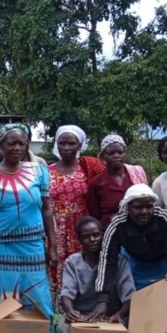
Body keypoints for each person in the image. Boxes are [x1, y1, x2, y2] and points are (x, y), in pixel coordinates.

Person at [0, 123, 56, 333]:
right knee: (1, 289)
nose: (17, 147)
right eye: (12, 143)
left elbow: (47, 210)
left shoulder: (39, 172)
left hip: (32, 246)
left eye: (22, 143)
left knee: (36, 288)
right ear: (1, 145)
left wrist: (52, 246)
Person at [95, 184, 167, 316]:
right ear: (128, 207)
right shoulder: (117, 224)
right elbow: (107, 259)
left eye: (149, 206)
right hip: (136, 265)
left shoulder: (164, 217)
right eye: (138, 207)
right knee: (140, 306)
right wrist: (103, 299)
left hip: (164, 264)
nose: (144, 212)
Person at [46, 124, 106, 305]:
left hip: (82, 230)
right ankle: (59, 308)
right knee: (55, 267)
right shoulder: (47, 172)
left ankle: (85, 304)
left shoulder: (89, 168)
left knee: (85, 266)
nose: (66, 148)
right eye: (62, 143)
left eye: (71, 143)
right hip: (55, 228)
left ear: (80, 145)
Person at [54, 216, 134, 333]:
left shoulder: (119, 261)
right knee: (64, 327)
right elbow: (66, 293)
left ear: (103, 235)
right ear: (80, 240)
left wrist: (119, 314)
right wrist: (70, 311)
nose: (92, 240)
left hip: (110, 316)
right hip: (82, 316)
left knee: (128, 328)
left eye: (96, 235)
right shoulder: (73, 262)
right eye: (86, 237)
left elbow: (130, 296)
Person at [88, 134, 148, 229]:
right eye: (110, 153)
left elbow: (148, 201)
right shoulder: (96, 183)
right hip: (111, 231)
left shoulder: (137, 173)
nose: (116, 156)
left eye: (120, 152)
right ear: (103, 156)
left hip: (139, 229)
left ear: (125, 154)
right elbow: (95, 214)